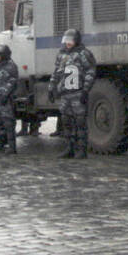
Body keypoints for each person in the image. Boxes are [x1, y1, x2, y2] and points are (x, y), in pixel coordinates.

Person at [49, 28, 95, 159]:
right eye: (66, 41)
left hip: (77, 92)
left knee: (80, 122)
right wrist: (51, 87)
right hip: (65, 93)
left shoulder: (83, 54)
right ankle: (69, 148)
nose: (67, 43)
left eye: (70, 41)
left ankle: (81, 150)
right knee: (66, 121)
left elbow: (90, 72)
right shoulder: (62, 54)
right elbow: (57, 71)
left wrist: (86, 90)